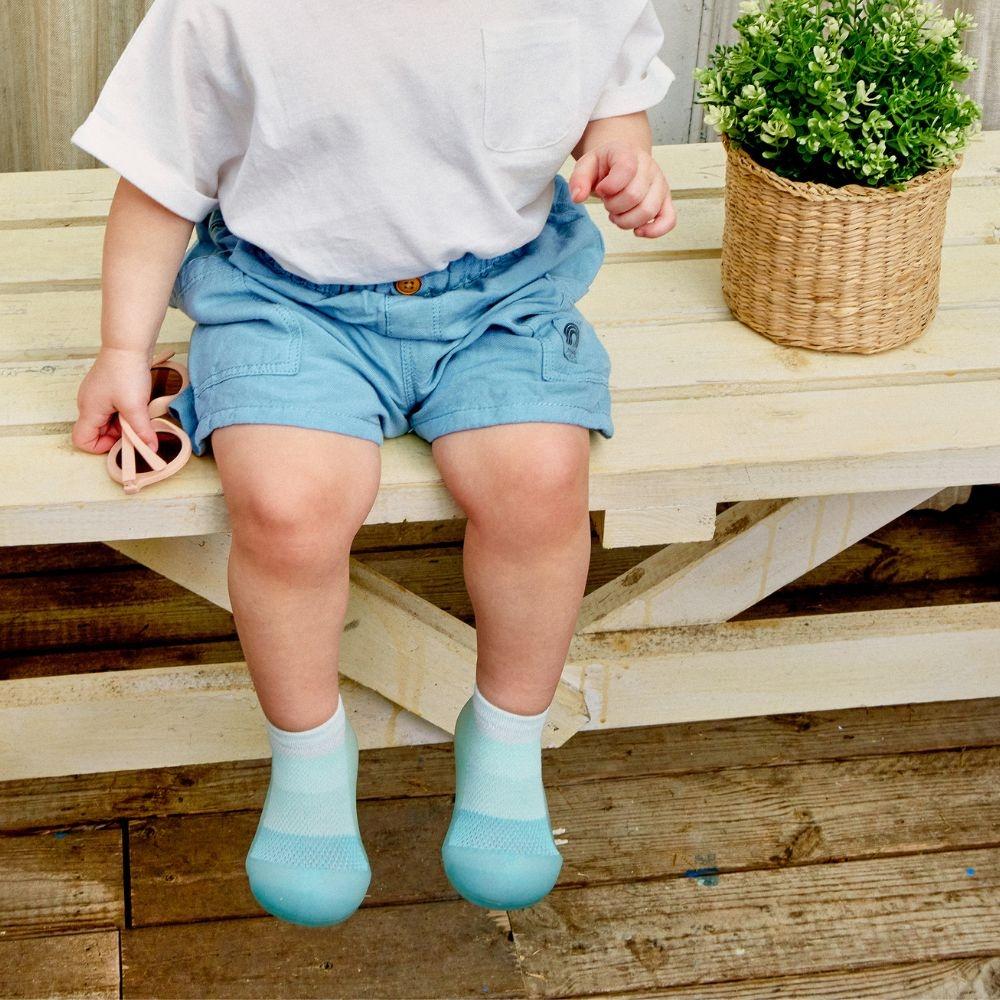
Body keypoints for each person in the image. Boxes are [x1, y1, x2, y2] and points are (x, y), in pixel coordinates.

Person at [69, 0, 677, 926]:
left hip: (497, 292)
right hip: (287, 297)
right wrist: (123, 348)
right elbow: (160, 175)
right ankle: (311, 755)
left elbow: (610, 85)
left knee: (539, 480)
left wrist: (622, 147)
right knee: (285, 504)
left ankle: (507, 737)